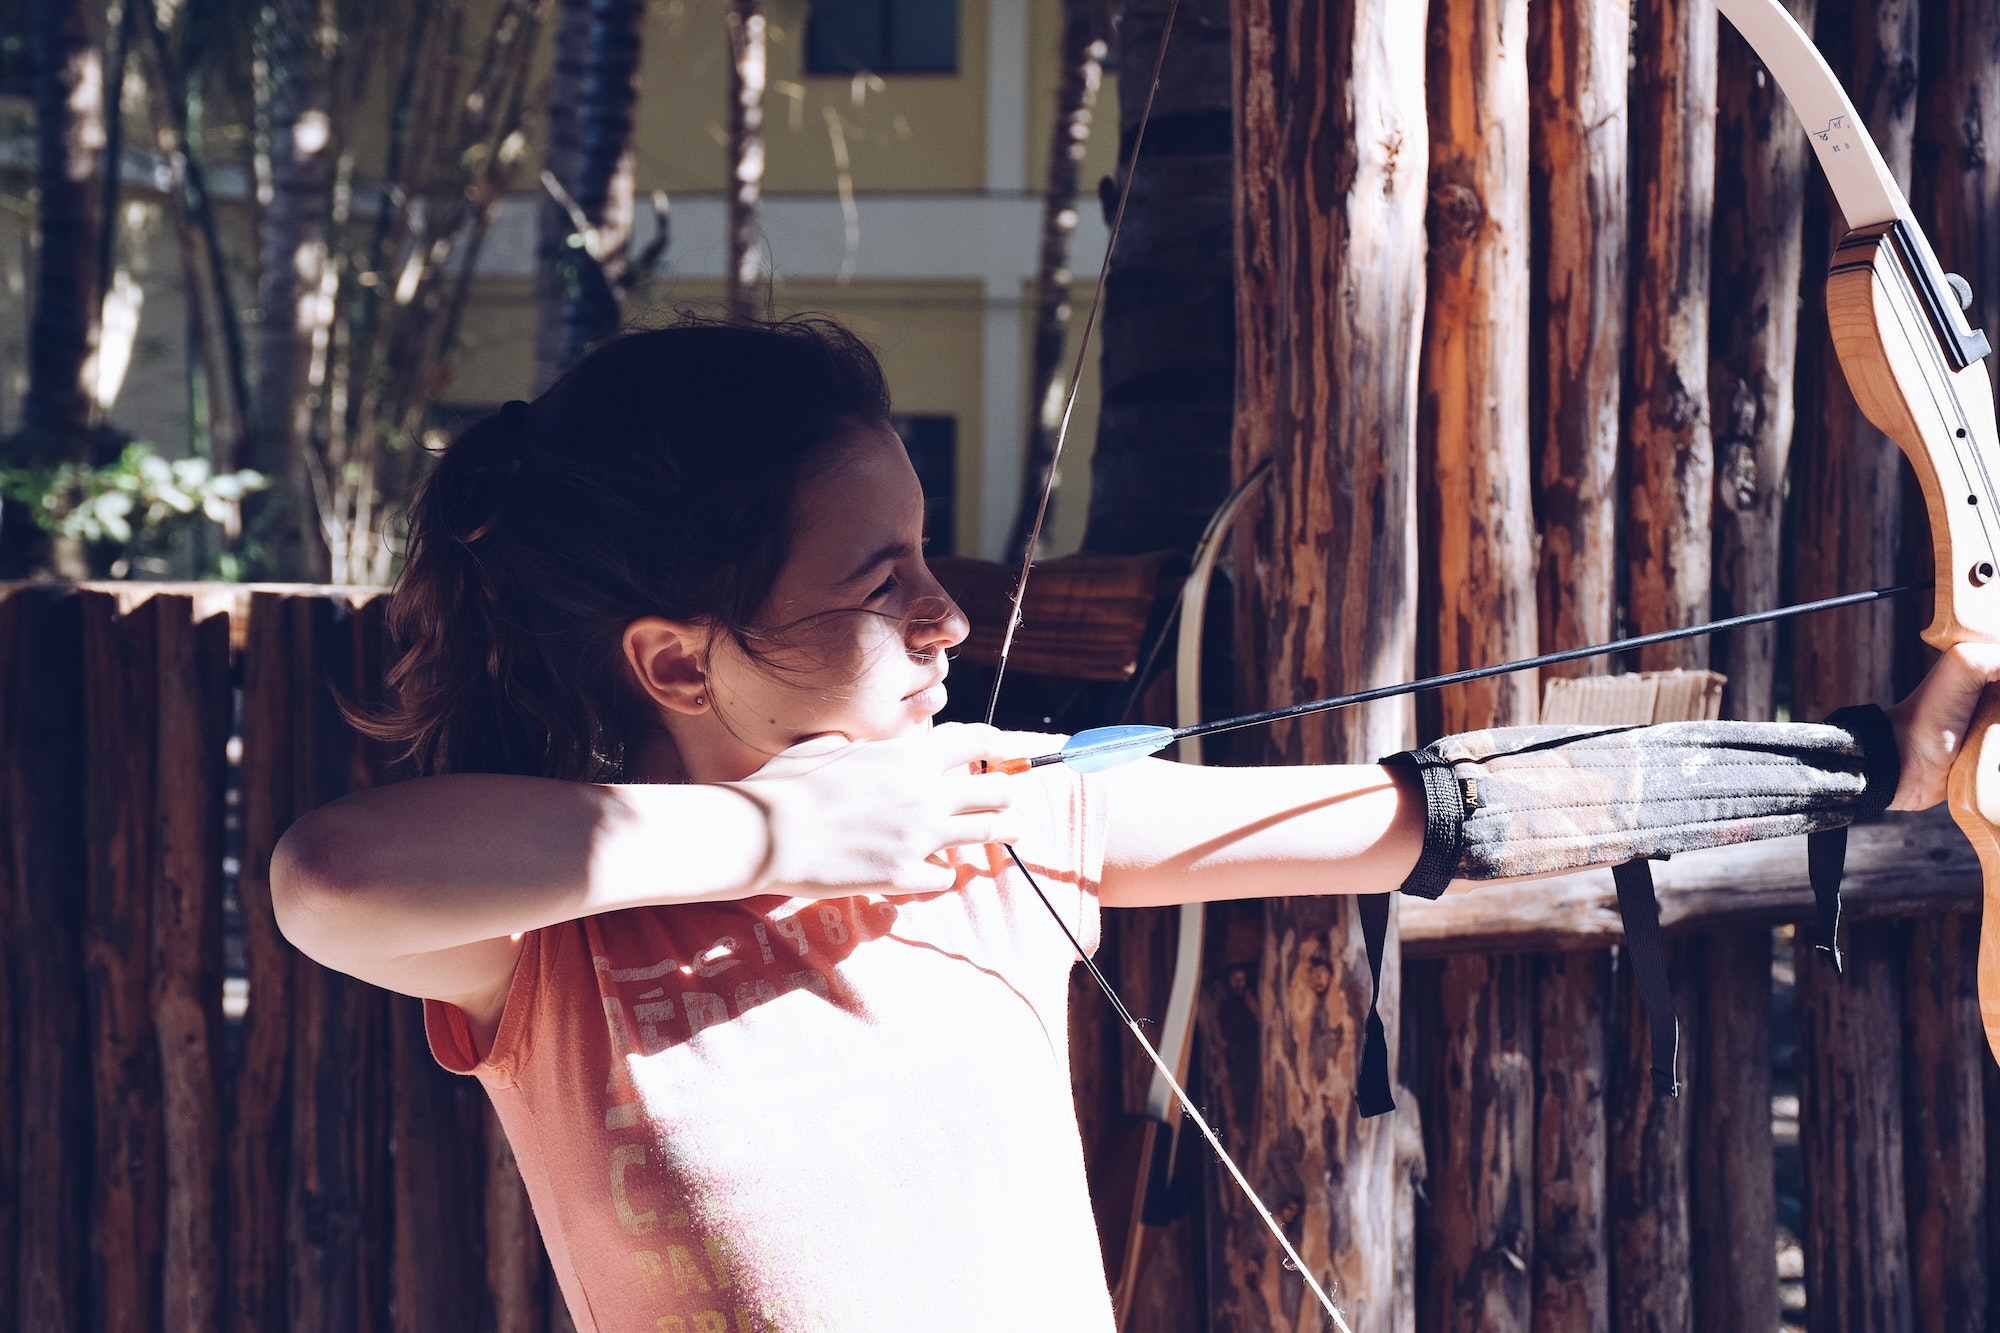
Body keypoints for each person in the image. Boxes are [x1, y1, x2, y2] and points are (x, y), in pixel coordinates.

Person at [272, 316, 1999, 1333]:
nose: (950, 618)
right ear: (674, 657)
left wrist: (1880, 750)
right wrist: (782, 838)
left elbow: (1432, 810)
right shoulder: (555, 954)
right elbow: (327, 877)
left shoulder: (1011, 827)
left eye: (930, 555)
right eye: (883, 586)